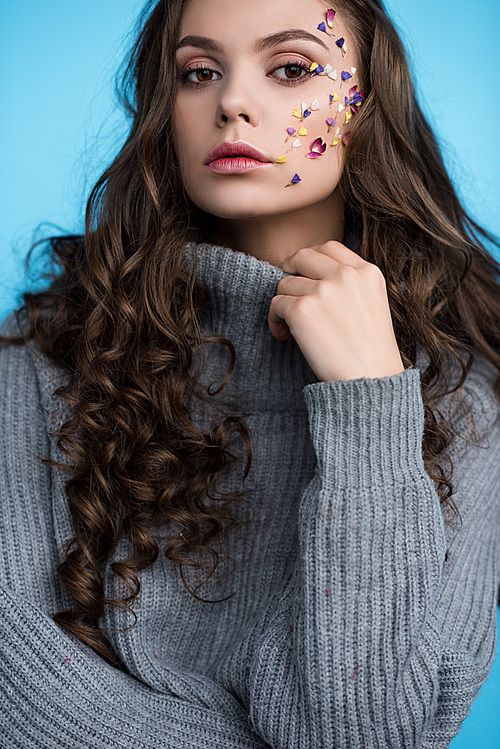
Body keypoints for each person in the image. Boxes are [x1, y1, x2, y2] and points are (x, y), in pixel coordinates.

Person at [0, 0, 499, 746]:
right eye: (198, 73)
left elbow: (367, 731)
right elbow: (22, 686)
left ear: (366, 107)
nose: (232, 101)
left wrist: (366, 400)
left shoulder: (466, 395)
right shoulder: (42, 354)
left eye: (292, 69)